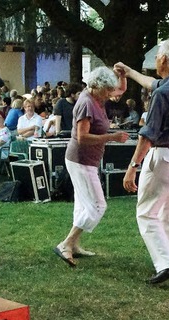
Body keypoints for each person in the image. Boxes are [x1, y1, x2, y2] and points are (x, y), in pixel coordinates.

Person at [115, 38, 169, 284]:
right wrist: (129, 72)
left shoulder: (163, 93)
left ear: (162, 60)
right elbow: (152, 83)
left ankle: (167, 263)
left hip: (165, 155)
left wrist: (132, 167)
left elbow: (147, 135)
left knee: (147, 214)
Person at [53, 67, 129, 267]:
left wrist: (122, 75)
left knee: (83, 204)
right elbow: (82, 137)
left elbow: (120, 90)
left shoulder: (97, 97)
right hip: (81, 160)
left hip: (86, 160)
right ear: (96, 86)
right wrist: (111, 137)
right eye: (106, 90)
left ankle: (74, 245)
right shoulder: (87, 103)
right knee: (97, 205)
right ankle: (67, 243)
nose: (109, 94)